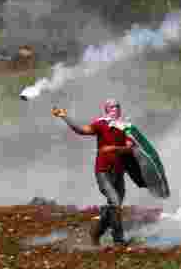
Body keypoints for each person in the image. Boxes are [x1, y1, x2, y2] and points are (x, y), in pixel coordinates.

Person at [53, 99, 137, 246]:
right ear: (106, 110)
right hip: (103, 171)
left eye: (117, 106)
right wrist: (65, 116)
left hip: (119, 173)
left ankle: (96, 233)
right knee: (115, 202)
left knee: (114, 206)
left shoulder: (126, 127)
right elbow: (81, 130)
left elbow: (130, 147)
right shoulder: (100, 124)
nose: (115, 109)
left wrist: (114, 149)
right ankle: (118, 240)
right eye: (111, 107)